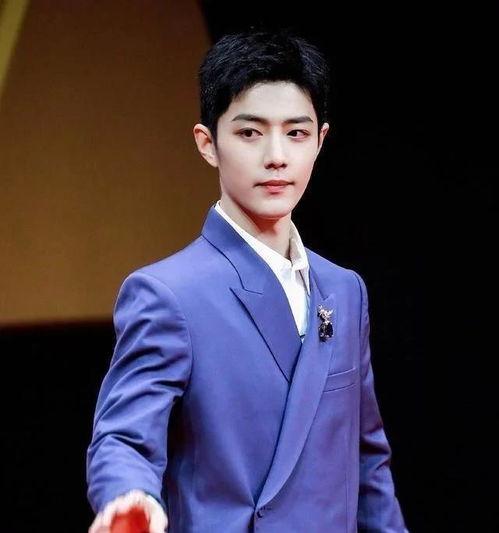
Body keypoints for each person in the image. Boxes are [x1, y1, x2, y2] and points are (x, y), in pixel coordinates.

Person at [86, 29, 408, 533]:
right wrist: (130, 496)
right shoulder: (169, 295)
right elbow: (124, 438)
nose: (276, 156)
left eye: (296, 133)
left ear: (320, 141)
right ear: (208, 144)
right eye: (251, 133)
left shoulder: (345, 290)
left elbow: (368, 463)